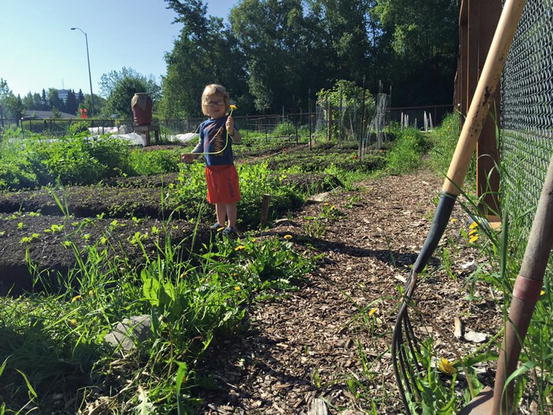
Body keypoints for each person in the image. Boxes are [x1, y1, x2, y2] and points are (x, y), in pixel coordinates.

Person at [181, 84, 242, 235]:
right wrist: (193, 155)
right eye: (211, 102)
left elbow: (238, 140)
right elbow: (201, 145)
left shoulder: (227, 121)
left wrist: (231, 131)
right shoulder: (204, 126)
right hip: (211, 169)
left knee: (229, 198)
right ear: (205, 105)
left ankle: (232, 226)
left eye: (219, 102)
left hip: (226, 167)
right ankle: (220, 223)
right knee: (217, 198)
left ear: (226, 105)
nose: (215, 105)